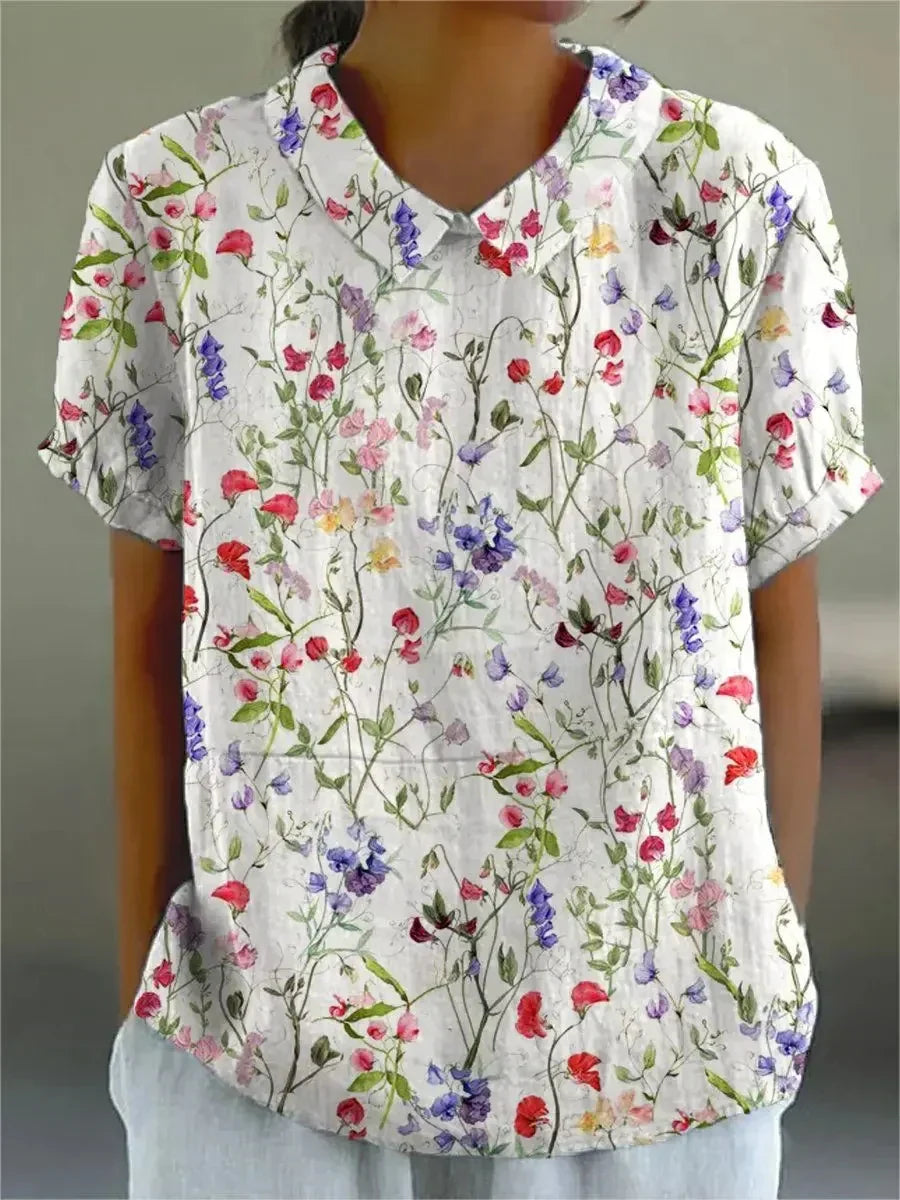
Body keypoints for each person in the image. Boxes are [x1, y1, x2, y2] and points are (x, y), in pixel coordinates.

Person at [38, 1, 882, 1197]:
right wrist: (160, 1057)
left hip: (664, 1070)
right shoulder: (178, 200)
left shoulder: (736, 196)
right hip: (262, 1066)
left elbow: (770, 637)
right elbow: (151, 645)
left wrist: (750, 1001)